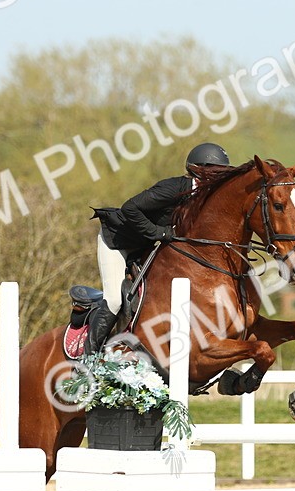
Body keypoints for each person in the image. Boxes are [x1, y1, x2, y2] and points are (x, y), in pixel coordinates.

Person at [85, 142, 231, 351]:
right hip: (119, 241)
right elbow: (130, 208)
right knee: (116, 299)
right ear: (201, 171)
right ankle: (88, 358)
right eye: (218, 173)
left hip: (147, 244)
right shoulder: (173, 188)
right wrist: (160, 233)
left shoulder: (206, 198)